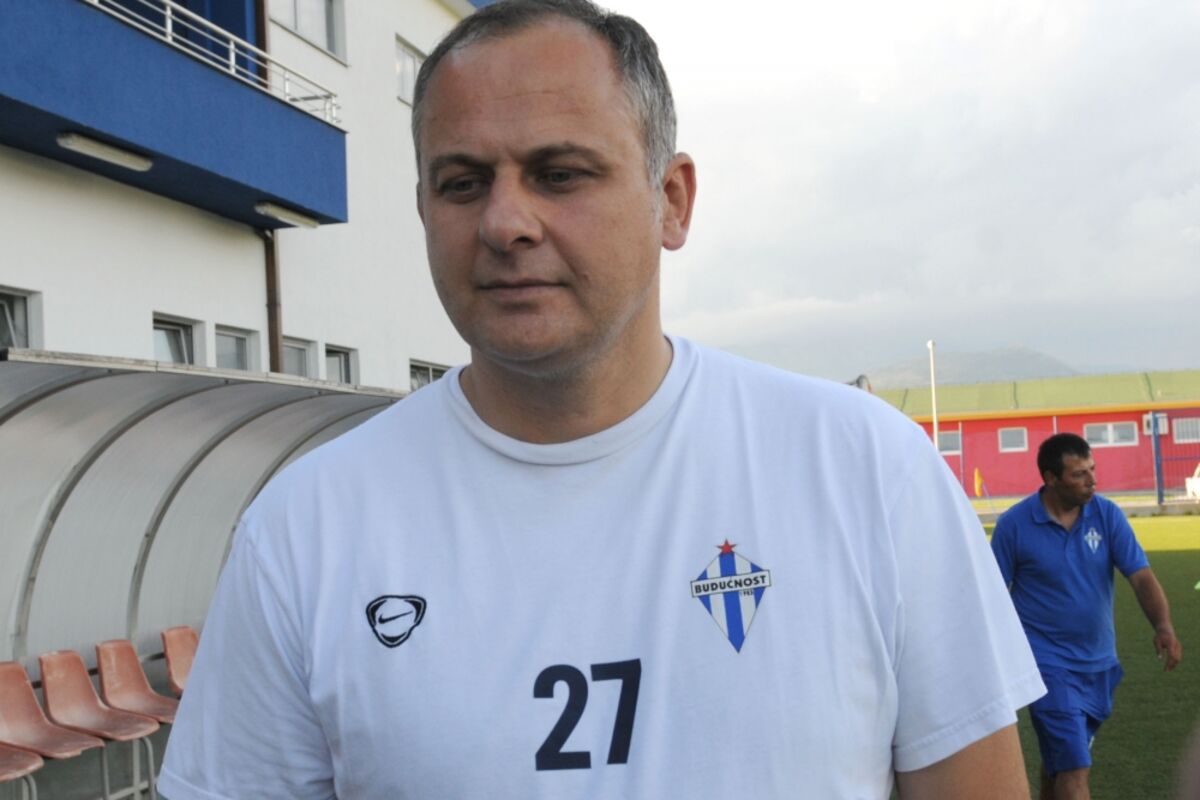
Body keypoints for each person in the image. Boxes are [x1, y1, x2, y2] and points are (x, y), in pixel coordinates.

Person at [158, 1, 1045, 797]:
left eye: (560, 173)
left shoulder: (865, 470)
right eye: (463, 182)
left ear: (672, 200)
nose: (505, 222)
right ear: (424, 209)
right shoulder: (305, 529)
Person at [991, 432, 1183, 800]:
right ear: (1051, 478)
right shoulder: (1014, 525)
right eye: (1079, 474)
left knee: (1060, 763)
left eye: (1092, 469)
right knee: (1076, 768)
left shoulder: (1106, 515)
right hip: (1046, 664)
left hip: (1099, 664)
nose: (1092, 480)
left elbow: (1140, 575)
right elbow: (992, 595)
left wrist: (1163, 626)